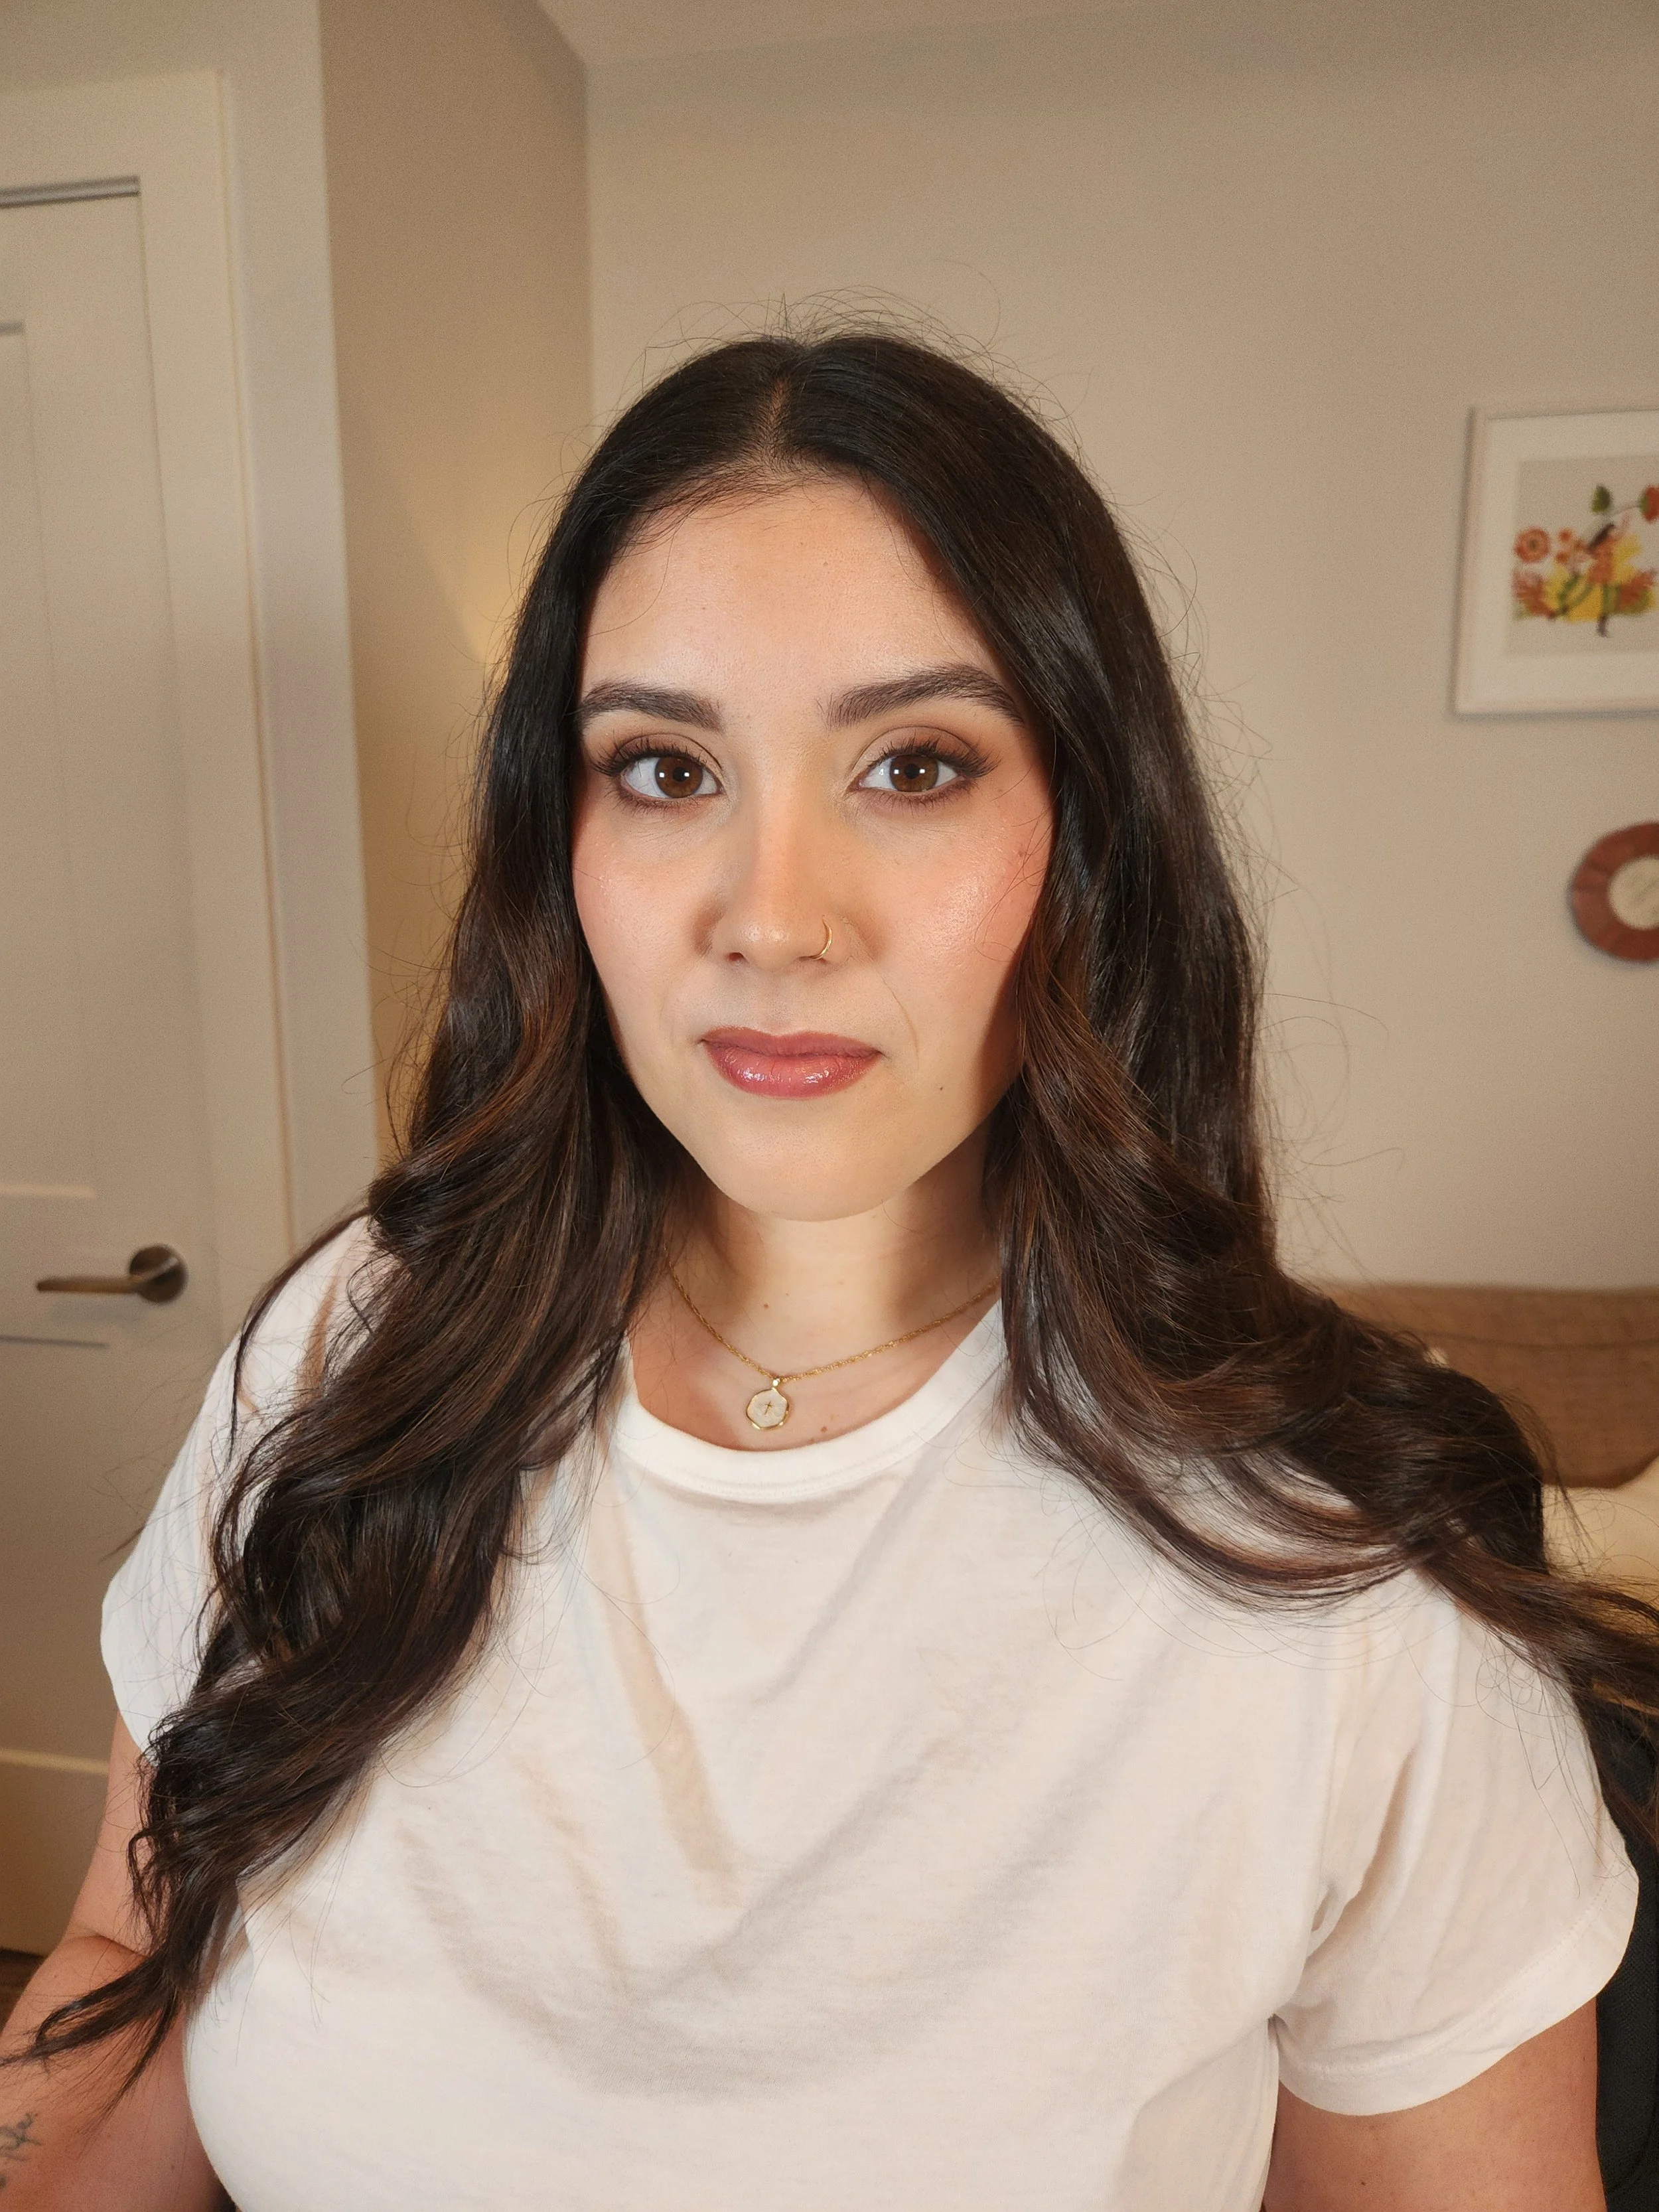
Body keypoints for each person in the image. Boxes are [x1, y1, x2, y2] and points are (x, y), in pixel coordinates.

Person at [3, 327, 1655, 2212]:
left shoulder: (1344, 1568)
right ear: (566, 844)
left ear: (1089, 839)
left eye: (913, 762)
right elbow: (126, 1972)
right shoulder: (350, 1344)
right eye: (662, 765)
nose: (770, 914)